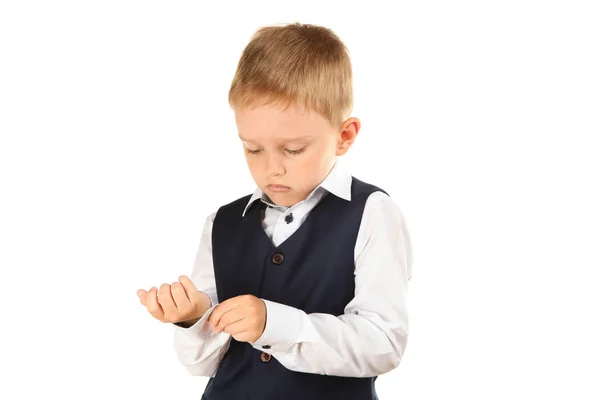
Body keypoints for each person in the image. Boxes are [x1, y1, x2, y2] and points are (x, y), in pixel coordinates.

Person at [136, 22, 413, 400]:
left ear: (344, 136)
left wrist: (275, 324)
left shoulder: (372, 213)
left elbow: (383, 343)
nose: (272, 168)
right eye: (253, 148)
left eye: (294, 149)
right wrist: (194, 316)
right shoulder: (222, 224)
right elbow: (200, 365)